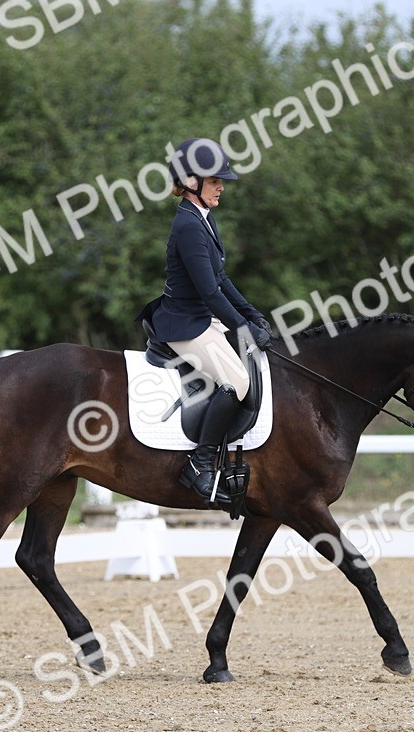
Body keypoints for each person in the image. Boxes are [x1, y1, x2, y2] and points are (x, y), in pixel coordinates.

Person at [137, 138, 273, 504]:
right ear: (192, 181)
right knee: (237, 381)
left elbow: (221, 279)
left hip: (202, 317)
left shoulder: (203, 219)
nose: (222, 187)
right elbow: (210, 293)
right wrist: (245, 331)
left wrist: (252, 314)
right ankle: (200, 465)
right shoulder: (188, 225)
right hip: (185, 323)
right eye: (215, 181)